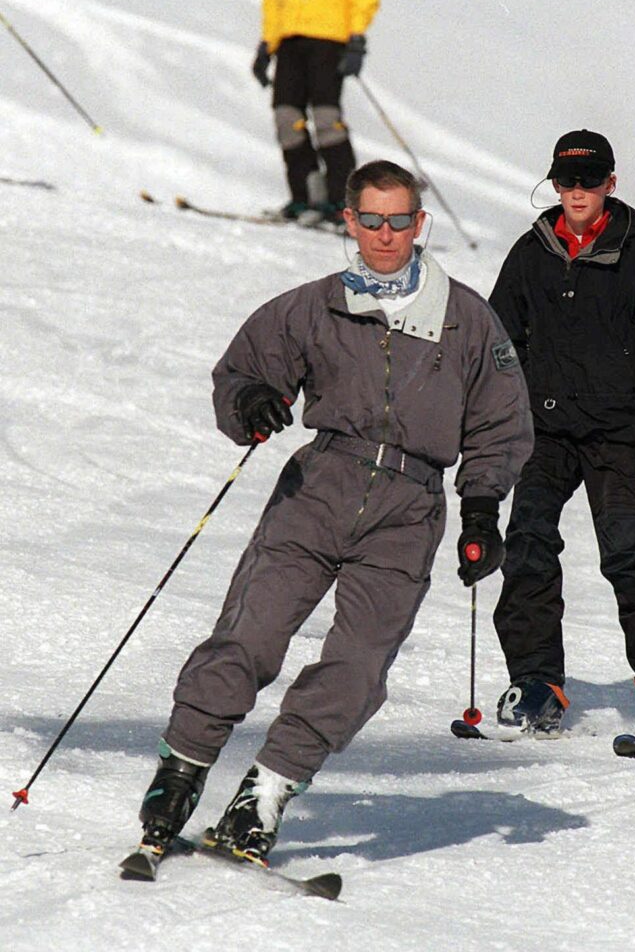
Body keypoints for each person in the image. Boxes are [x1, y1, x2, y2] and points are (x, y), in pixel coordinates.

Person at [134, 160, 533, 864]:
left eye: (399, 220)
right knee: (251, 636)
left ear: (420, 223)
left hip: (409, 509)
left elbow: (501, 423)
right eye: (371, 220)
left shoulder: (466, 319)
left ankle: (267, 793)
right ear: (349, 222)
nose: (385, 234)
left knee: (357, 668)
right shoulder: (315, 305)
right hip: (319, 485)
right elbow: (244, 370)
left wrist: (480, 513)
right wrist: (252, 403)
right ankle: (183, 767)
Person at [488, 129, 635, 744]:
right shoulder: (530, 254)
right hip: (544, 432)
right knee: (527, 545)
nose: (576, 192)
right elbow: (499, 342)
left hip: (619, 434)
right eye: (566, 181)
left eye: (589, 180)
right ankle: (535, 687)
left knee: (632, 555)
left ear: (611, 182)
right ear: (553, 184)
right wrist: (495, 416)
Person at [252, 0, 381, 227]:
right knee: (287, 120)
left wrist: (357, 38)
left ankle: (341, 203)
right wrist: (266, 46)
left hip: (329, 41)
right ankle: (305, 198)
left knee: (326, 120)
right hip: (289, 43)